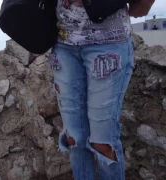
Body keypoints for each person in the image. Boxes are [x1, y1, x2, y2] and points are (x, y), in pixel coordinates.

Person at [49, 0, 155, 179]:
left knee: (102, 141)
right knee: (74, 137)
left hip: (108, 44)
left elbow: (142, 7)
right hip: (63, 44)